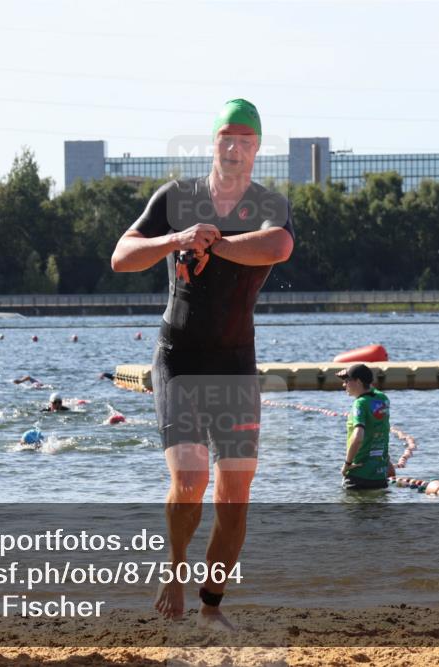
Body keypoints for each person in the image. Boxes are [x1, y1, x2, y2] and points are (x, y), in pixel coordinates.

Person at [110, 98, 294, 630]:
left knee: (236, 489)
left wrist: (219, 243)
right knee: (189, 478)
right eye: (226, 139)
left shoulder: (268, 203)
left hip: (235, 360)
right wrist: (180, 239)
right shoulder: (176, 197)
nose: (234, 149)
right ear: (213, 143)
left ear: (257, 150)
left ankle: (211, 604)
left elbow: (278, 246)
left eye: (245, 141)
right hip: (180, 357)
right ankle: (173, 570)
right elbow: (122, 255)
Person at [337, 364, 392, 490]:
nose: (344, 385)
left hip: (358, 474)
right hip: (379, 474)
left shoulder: (360, 404)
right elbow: (382, 430)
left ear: (358, 382)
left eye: (347, 381)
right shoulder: (383, 399)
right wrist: (387, 461)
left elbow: (358, 437)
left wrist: (347, 464)